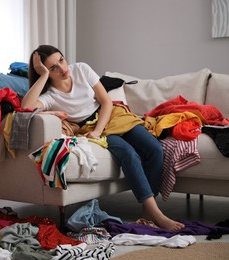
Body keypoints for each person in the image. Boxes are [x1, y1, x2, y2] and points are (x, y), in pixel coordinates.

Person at [21, 44, 185, 231]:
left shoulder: (81, 69)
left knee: (154, 148)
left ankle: (149, 212)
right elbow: (26, 106)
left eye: (61, 60)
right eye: (53, 68)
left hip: (110, 114)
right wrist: (42, 75)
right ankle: (156, 214)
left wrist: (99, 130)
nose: (63, 69)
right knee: (128, 154)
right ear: (45, 73)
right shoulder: (50, 96)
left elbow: (106, 101)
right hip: (89, 127)